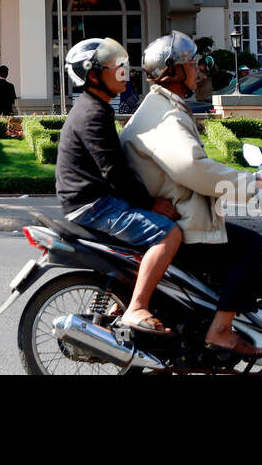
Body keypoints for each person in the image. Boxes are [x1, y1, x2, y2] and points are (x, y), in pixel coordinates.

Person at [121, 31, 262, 359]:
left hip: (176, 215)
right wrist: (253, 183)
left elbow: (196, 165)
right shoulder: (167, 116)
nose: (201, 68)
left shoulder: (162, 107)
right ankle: (220, 331)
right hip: (184, 224)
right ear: (176, 72)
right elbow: (193, 170)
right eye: (195, 63)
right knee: (252, 247)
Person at [55, 37, 183, 336]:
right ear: (94, 75)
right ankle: (137, 306)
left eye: (123, 65)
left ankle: (122, 304)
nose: (124, 72)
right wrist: (150, 203)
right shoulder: (93, 113)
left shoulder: (95, 108)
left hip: (94, 201)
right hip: (94, 206)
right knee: (169, 233)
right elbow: (113, 171)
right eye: (115, 67)